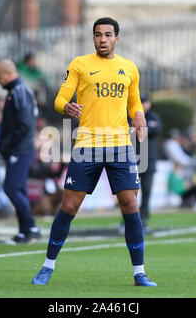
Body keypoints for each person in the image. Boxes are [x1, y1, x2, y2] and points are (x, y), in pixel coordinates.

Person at [32, 17, 156, 287]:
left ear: (116, 39)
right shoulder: (80, 64)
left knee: (130, 205)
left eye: (108, 34)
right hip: (87, 145)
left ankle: (139, 273)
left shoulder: (129, 68)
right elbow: (60, 98)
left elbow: (134, 101)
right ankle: (47, 266)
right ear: (93, 38)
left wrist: (139, 116)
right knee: (69, 206)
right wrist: (67, 107)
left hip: (120, 146)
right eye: (98, 34)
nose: (102, 39)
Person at [0, 59, 41, 243]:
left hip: (20, 149)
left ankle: (31, 226)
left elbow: (24, 124)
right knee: (19, 188)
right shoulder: (18, 91)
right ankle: (24, 231)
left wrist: (10, 144)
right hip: (21, 148)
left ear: (7, 74)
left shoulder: (20, 91)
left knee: (11, 188)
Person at [134, 93, 161, 230]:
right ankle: (128, 221)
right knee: (129, 193)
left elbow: (154, 130)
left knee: (146, 192)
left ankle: (143, 220)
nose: (143, 104)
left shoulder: (154, 117)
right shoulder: (130, 115)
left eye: (145, 102)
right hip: (133, 159)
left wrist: (140, 129)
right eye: (141, 101)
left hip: (148, 161)